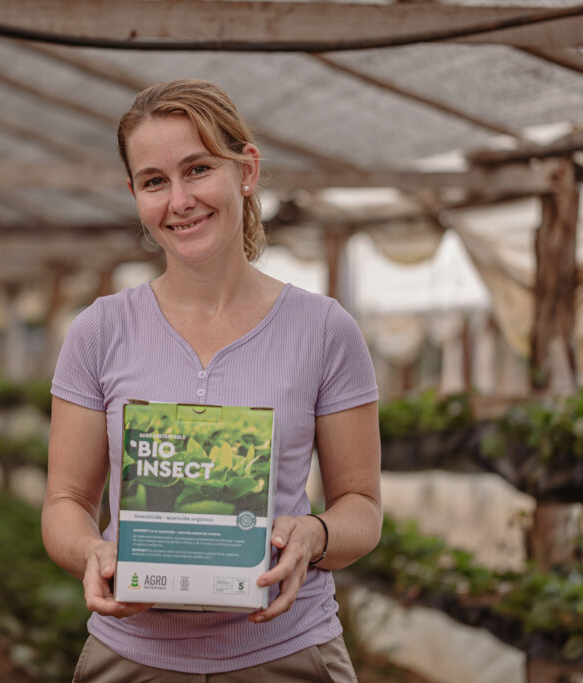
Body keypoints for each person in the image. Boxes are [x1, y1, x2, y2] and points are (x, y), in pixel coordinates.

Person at [42, 79, 382, 682]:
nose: (179, 200)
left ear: (245, 171)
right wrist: (91, 552)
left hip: (286, 651)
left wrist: (314, 533)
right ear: (135, 195)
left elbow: (363, 508)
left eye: (197, 169)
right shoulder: (98, 331)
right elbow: (66, 503)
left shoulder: (325, 329)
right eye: (154, 181)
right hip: (134, 654)